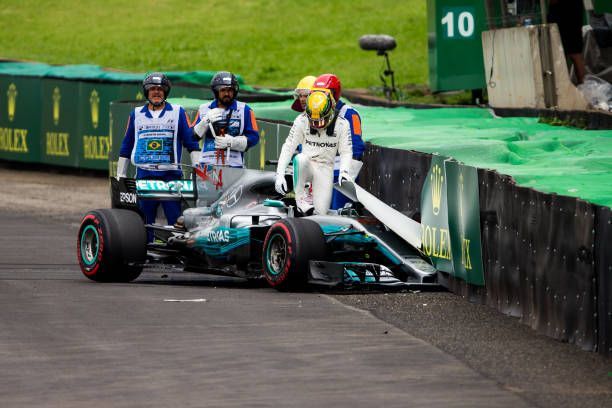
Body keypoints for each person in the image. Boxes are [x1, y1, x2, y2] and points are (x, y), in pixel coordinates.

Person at [117, 72, 201, 241]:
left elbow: (191, 143)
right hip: (144, 175)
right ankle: (145, 249)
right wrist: (121, 175)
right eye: (152, 89)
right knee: (144, 218)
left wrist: (198, 171)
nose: (156, 92)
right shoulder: (136, 114)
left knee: (175, 217)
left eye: (160, 89)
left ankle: (174, 251)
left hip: (171, 176)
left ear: (166, 91)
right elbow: (126, 146)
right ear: (146, 92)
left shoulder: (178, 112)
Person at [275, 89, 353, 215]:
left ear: (330, 112)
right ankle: (302, 197)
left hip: (326, 167)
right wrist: (279, 174)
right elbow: (288, 146)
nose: (316, 125)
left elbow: (346, 152)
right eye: (313, 121)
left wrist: (344, 172)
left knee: (321, 212)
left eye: (320, 121)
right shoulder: (301, 120)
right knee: (300, 159)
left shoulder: (342, 124)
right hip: (307, 163)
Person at [313, 73, 365, 209]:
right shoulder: (314, 113)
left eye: (324, 93)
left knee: (337, 213)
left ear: (335, 93)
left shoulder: (349, 114)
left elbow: (356, 146)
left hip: (341, 177)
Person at [192, 71, 259, 167]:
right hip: (207, 165)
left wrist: (233, 142)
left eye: (230, 90)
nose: (227, 94)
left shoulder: (245, 110)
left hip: (234, 167)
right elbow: (192, 137)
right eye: (223, 90)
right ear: (216, 91)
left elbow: (254, 138)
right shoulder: (204, 109)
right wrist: (204, 122)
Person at [548, 0, 586, 84]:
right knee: (575, 52)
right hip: (571, 10)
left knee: (567, 53)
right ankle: (583, 86)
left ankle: (567, 86)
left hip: (564, 12)